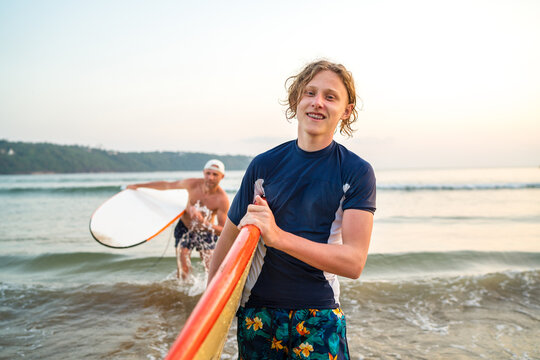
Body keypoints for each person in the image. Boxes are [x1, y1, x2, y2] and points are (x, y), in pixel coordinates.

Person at [207, 60, 376, 359]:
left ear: (346, 111)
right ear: (297, 99)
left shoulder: (356, 171)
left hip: (319, 316)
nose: (317, 102)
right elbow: (227, 244)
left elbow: (353, 262)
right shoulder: (263, 166)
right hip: (258, 315)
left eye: (330, 96)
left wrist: (277, 237)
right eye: (310, 92)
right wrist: (210, 312)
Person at [127, 159, 229, 280]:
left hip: (206, 232)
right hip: (185, 228)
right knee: (183, 269)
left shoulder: (222, 200)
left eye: (215, 174)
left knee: (211, 269)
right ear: (203, 172)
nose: (210, 177)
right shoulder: (191, 184)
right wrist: (138, 186)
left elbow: (223, 230)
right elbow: (166, 185)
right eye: (208, 173)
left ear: (222, 176)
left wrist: (204, 223)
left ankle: (210, 294)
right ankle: (182, 293)